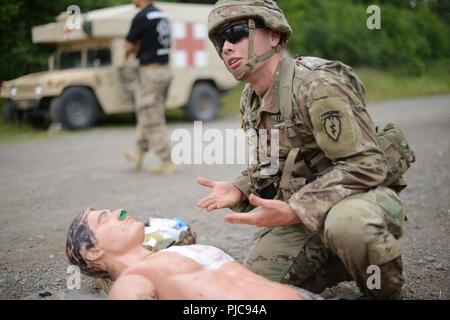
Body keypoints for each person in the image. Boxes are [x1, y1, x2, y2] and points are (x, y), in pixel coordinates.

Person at [196, 0, 406, 299]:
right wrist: (240, 188)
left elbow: (367, 165)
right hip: (306, 214)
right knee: (252, 289)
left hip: (359, 199)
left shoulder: (314, 84)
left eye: (237, 32)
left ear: (274, 35)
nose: (226, 46)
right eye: (219, 40)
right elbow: (271, 163)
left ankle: (379, 285)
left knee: (348, 225)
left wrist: (296, 209)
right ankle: (341, 260)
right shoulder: (252, 98)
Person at [65, 208, 322, 300]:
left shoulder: (174, 253)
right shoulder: (133, 280)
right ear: (92, 250)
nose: (119, 211)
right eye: (104, 218)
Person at [123, 0, 175, 175]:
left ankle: (166, 160)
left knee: (151, 115)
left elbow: (128, 45)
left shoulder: (141, 17)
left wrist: (133, 51)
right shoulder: (162, 15)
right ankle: (138, 153)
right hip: (165, 70)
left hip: (151, 72)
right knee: (148, 112)